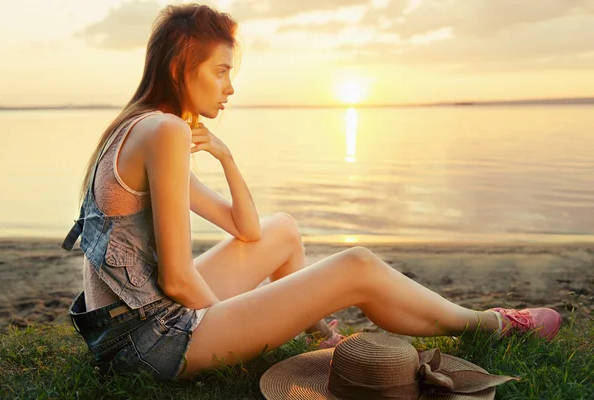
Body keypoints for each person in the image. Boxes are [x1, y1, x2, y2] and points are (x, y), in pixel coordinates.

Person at [62, 3, 562, 383]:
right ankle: (491, 323)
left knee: (282, 230)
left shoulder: (141, 127)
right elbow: (175, 276)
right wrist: (233, 327)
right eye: (221, 71)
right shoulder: (164, 132)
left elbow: (249, 230)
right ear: (179, 67)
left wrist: (225, 157)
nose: (230, 87)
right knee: (357, 265)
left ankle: (319, 334)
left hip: (126, 333)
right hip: (153, 344)